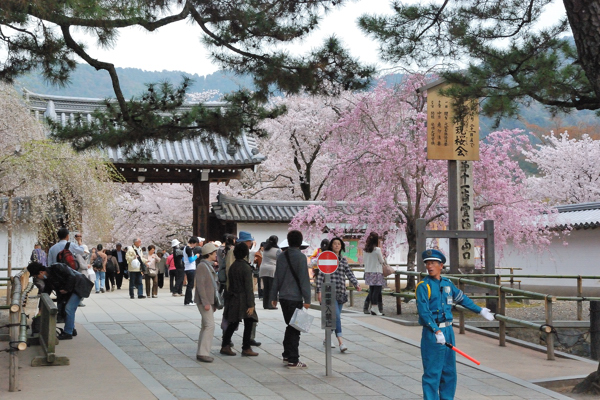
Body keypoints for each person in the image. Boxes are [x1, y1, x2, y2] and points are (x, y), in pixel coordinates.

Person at [417, 249, 495, 400]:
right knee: (433, 372)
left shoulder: (447, 284)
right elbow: (424, 312)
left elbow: (462, 298)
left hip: (448, 331)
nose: (429, 266)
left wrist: (480, 310)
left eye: (433, 263)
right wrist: (435, 330)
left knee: (449, 371)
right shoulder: (423, 286)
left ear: (441, 265)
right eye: (427, 263)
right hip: (433, 333)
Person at [270, 230, 312, 369]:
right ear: (300, 242)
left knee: (290, 325)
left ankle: (287, 354)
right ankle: (293, 359)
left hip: (283, 297)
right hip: (295, 297)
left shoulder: (281, 257)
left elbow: (277, 277)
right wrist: (307, 299)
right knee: (295, 328)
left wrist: (273, 296)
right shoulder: (301, 257)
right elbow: (304, 280)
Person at [316, 236, 361, 353]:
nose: (337, 245)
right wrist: (319, 291)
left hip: (341, 291)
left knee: (334, 317)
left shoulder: (343, 260)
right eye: (335, 244)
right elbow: (320, 276)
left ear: (341, 247)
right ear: (331, 246)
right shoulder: (326, 259)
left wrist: (356, 283)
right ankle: (341, 342)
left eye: (339, 244)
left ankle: (327, 338)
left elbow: (349, 273)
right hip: (330, 292)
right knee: (336, 316)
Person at [27, 261, 94, 340]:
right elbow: (46, 293)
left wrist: (66, 289)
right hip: (70, 290)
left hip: (79, 286)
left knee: (69, 308)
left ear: (41, 272)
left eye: (36, 276)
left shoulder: (57, 267)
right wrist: (40, 308)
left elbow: (71, 276)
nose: (37, 278)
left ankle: (68, 333)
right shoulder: (48, 279)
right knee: (65, 308)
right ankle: (71, 329)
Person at [220, 242, 259, 357]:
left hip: (234, 297)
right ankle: (245, 347)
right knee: (249, 321)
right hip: (243, 298)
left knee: (233, 322)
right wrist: (251, 304)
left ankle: (225, 344)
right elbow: (248, 287)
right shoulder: (245, 267)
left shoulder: (233, 266)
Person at [194, 242, 219, 363]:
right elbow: (200, 286)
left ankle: (201, 352)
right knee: (210, 325)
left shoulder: (207, 266)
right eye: (214, 253)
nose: (216, 255)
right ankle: (203, 352)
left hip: (209, 300)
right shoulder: (202, 266)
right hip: (204, 301)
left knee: (205, 325)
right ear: (209, 254)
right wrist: (206, 302)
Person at [363, 232, 386, 316]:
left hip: (368, 272)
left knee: (372, 290)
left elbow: (364, 261)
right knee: (377, 291)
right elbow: (382, 261)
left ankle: (370, 308)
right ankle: (374, 308)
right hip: (376, 272)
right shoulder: (377, 250)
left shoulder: (365, 250)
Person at [259, 236, 281, 310]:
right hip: (272, 269)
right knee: (272, 288)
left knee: (266, 288)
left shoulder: (265, 249)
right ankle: (271, 305)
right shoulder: (277, 250)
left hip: (263, 269)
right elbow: (279, 260)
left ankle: (265, 304)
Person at [183, 236, 200, 305]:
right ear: (193, 243)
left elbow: (184, 259)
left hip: (187, 268)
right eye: (195, 244)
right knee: (190, 285)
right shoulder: (189, 249)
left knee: (189, 285)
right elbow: (190, 260)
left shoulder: (185, 248)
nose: (195, 246)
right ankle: (189, 300)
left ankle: (187, 300)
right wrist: (196, 256)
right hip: (190, 268)